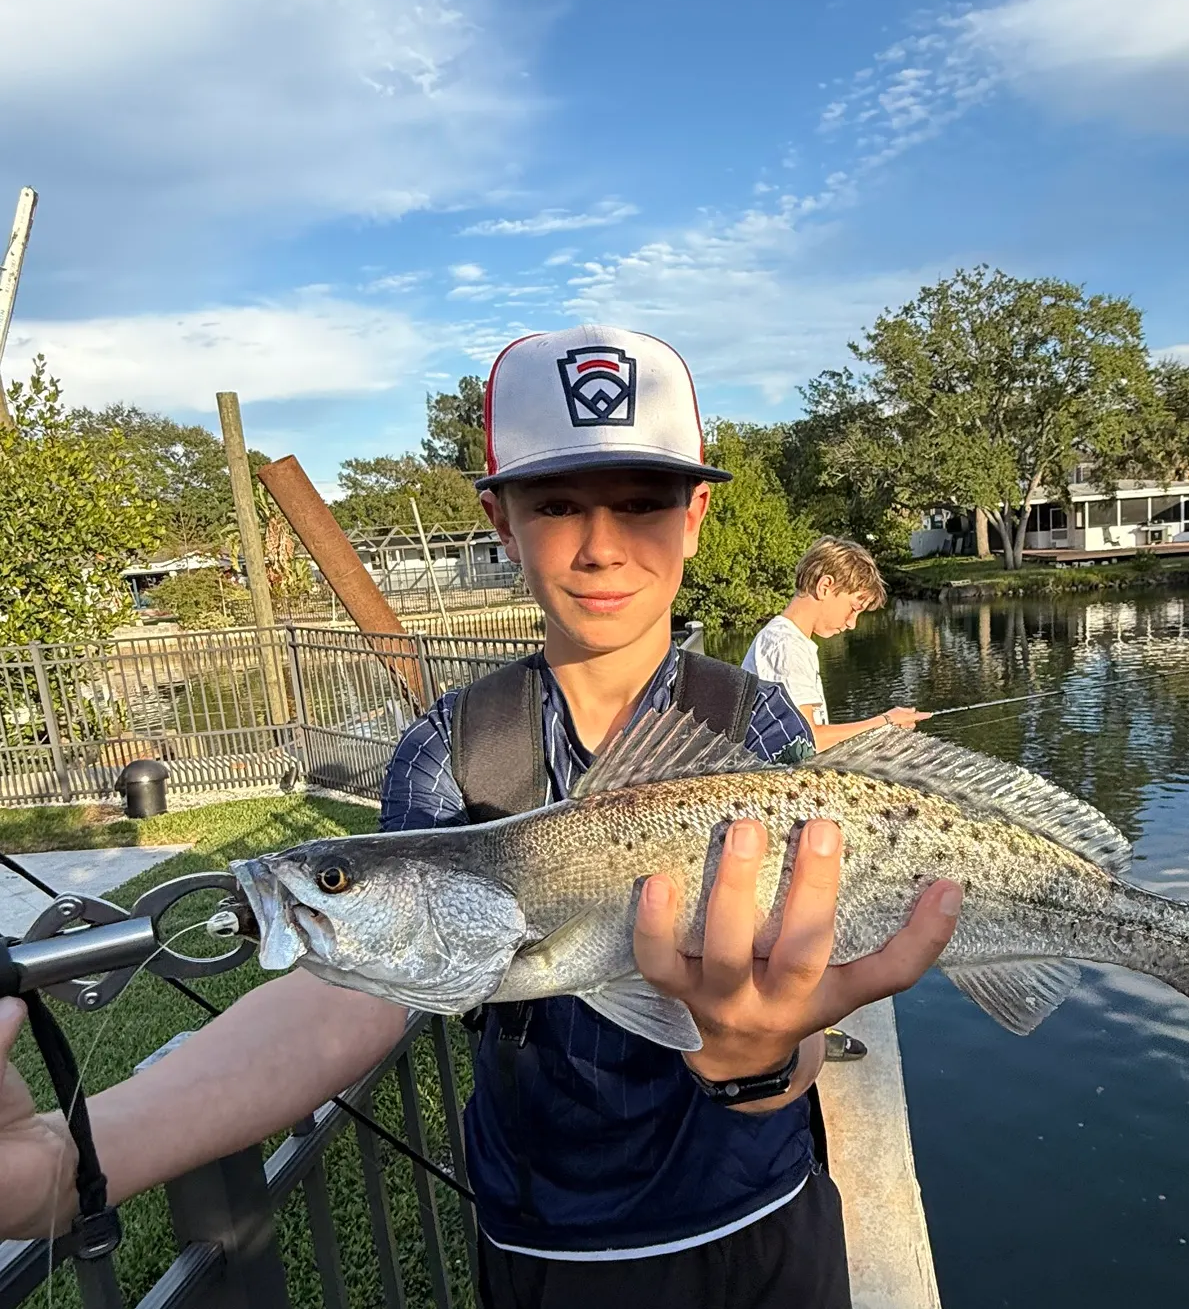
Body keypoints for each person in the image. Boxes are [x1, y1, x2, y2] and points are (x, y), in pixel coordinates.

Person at [0, 324, 962, 1309]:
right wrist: (71, 1159)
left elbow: (802, 972)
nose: (600, 545)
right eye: (555, 505)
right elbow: (351, 994)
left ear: (696, 515)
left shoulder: (752, 719)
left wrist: (762, 1061)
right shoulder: (446, 751)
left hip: (762, 1220)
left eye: (640, 505)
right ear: (501, 520)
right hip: (551, 1248)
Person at [742, 536, 931, 751]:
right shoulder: (785, 646)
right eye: (853, 608)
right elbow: (809, 739)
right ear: (825, 587)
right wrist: (885, 723)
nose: (852, 623)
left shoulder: (791, 642)